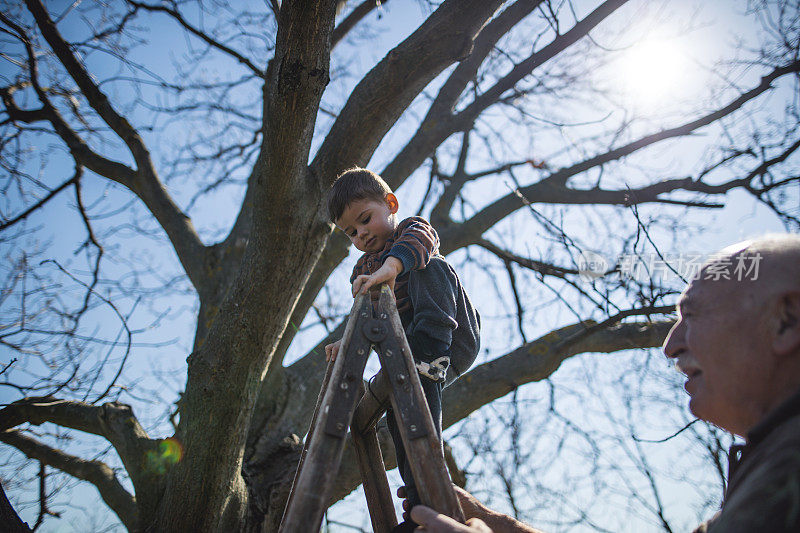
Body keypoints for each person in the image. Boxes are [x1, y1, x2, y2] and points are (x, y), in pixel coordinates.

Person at [408, 234, 800, 532]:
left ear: (786, 320)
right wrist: (489, 520)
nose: (670, 345)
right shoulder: (771, 464)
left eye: (693, 315)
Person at [324, 167, 481, 533]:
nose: (362, 234)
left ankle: (426, 357)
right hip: (405, 349)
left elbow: (420, 243)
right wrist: (348, 340)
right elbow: (367, 315)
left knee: (432, 265)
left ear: (389, 204)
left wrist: (393, 267)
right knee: (400, 417)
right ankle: (418, 506)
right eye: (352, 232)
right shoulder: (363, 267)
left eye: (366, 219)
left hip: (448, 339)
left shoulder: (410, 232)